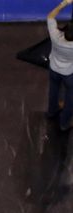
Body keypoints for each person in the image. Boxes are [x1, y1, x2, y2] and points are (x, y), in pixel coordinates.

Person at [47, 0, 73, 130]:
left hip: (53, 69)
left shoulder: (55, 36)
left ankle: (52, 112)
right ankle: (64, 123)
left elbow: (51, 16)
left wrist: (64, 3)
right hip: (69, 75)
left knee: (53, 90)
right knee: (70, 99)